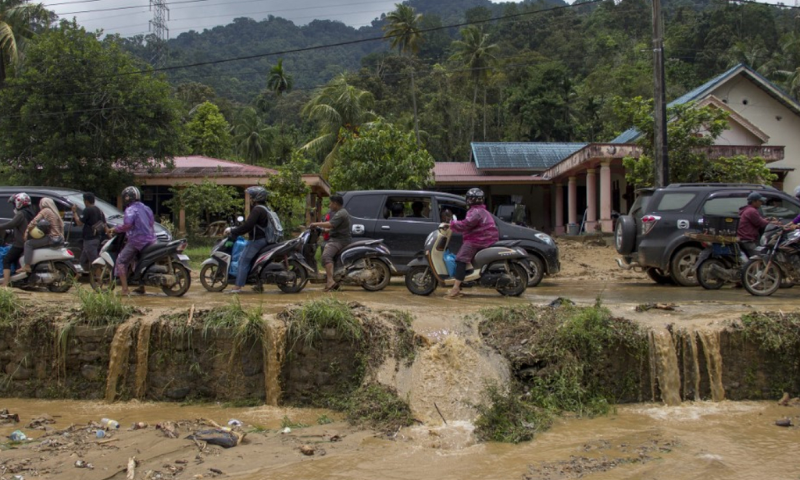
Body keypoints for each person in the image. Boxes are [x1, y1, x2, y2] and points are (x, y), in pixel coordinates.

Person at [445, 188, 499, 299]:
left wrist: (452, 224)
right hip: (486, 238)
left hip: (478, 240)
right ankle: (464, 282)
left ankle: (455, 289)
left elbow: (466, 224)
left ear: (471, 199)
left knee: (460, 259)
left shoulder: (475, 212)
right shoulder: (482, 210)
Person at [225, 186, 273, 294]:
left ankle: (237, 287)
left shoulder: (257, 210)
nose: (250, 199)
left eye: (252, 197)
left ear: (256, 198)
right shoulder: (265, 208)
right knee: (252, 260)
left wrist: (233, 230)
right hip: (264, 239)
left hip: (257, 240)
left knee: (243, 260)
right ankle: (257, 284)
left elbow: (248, 226)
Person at [109, 186, 156, 296]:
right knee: (137, 260)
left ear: (126, 198)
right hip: (151, 239)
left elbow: (128, 225)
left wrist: (115, 229)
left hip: (137, 241)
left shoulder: (130, 210)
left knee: (121, 261)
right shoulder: (146, 208)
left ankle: (125, 289)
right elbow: (151, 223)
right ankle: (141, 286)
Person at [310, 195, 351, 291]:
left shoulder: (341, 213)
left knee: (326, 256)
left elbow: (331, 224)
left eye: (330, 203)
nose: (329, 205)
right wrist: (323, 230)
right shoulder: (340, 212)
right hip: (339, 238)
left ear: (335, 204)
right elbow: (334, 227)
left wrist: (315, 224)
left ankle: (330, 281)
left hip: (340, 240)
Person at [20, 198, 65, 274]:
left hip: (51, 238)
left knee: (28, 244)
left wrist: (27, 231)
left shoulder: (46, 210)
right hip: (59, 238)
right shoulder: (54, 212)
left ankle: (27, 266)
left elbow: (34, 221)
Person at [0, 193, 35, 286]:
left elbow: (11, 224)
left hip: (20, 243)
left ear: (19, 203)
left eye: (14, 203)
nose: (14, 205)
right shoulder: (30, 212)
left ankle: (5, 282)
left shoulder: (20, 214)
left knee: (6, 260)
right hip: (27, 241)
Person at [71, 192, 106, 273]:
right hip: (96, 238)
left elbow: (79, 223)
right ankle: (75, 279)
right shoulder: (99, 210)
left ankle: (99, 280)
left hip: (89, 240)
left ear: (86, 201)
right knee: (82, 261)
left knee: (95, 261)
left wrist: (74, 212)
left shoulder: (87, 210)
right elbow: (104, 224)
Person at [738, 191, 778, 257]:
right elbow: (760, 223)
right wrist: (773, 223)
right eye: (760, 201)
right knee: (758, 258)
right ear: (754, 201)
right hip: (748, 239)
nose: (761, 203)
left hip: (743, 237)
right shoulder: (752, 211)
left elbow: (758, 220)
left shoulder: (747, 209)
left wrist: (768, 219)